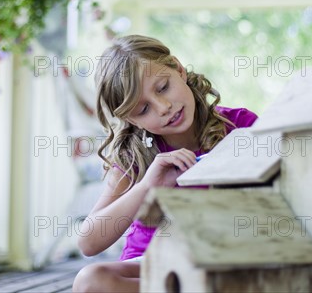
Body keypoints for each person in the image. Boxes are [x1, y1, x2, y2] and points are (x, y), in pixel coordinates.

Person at [72, 35, 257, 292]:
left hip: (219, 259)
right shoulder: (134, 155)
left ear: (178, 68)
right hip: (151, 263)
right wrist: (148, 185)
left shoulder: (240, 127)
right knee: (90, 281)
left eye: (162, 88)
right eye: (143, 110)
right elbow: (88, 243)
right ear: (132, 120)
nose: (164, 107)